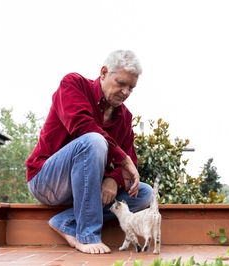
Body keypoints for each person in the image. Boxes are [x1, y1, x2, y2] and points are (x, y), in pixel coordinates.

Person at [25, 50, 153, 254]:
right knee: (94, 140)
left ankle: (65, 222)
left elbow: (129, 166)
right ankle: (87, 235)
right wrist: (122, 158)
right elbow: (83, 127)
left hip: (85, 190)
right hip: (46, 181)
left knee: (144, 194)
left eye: (131, 87)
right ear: (103, 73)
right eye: (121, 83)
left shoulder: (125, 118)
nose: (126, 92)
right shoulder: (73, 84)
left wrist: (112, 178)